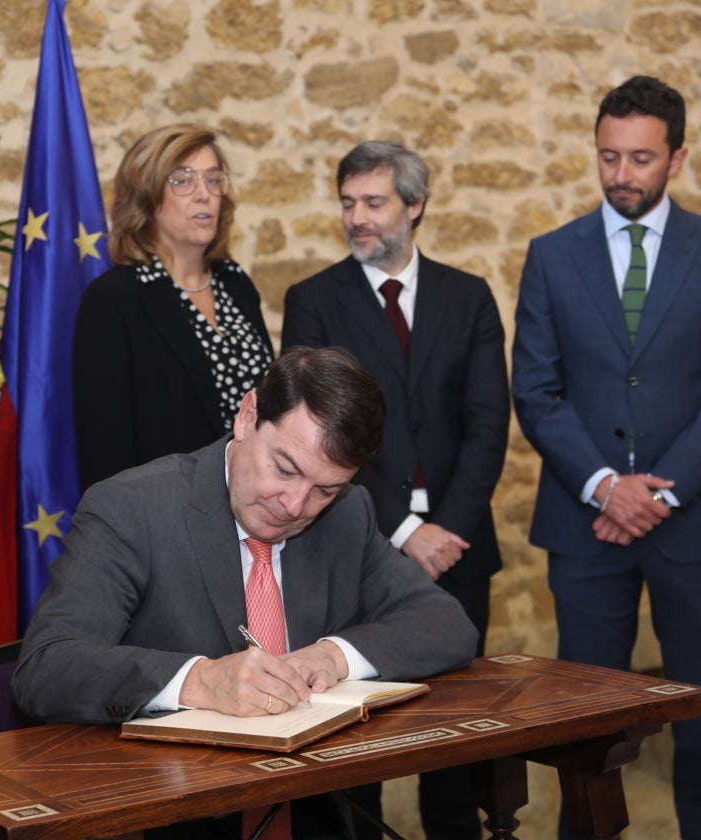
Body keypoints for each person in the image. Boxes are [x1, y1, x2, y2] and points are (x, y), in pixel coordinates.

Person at [15, 346, 478, 839]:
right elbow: (46, 668)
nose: (295, 505)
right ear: (247, 416)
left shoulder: (347, 512)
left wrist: (332, 656)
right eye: (285, 468)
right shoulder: (133, 508)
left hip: (319, 816)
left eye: (324, 489)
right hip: (177, 818)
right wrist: (200, 681)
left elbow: (447, 625)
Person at [511, 75, 701, 840]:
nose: (622, 174)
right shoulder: (551, 256)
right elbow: (536, 389)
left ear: (677, 158)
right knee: (586, 725)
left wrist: (656, 494)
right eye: (609, 156)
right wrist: (603, 488)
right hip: (586, 532)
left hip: (696, 527)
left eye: (641, 159)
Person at [281, 140, 508, 840]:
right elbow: (316, 438)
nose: (358, 218)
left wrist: (447, 530)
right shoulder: (313, 302)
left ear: (415, 206)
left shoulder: (467, 297)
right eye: (348, 203)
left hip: (459, 549)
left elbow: (486, 424)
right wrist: (405, 534)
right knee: (355, 739)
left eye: (374, 203)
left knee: (455, 738)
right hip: (352, 545)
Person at [72, 123, 273, 490]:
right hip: (164, 520)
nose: (204, 194)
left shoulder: (236, 283)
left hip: (255, 510)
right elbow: (104, 449)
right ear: (146, 198)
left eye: (213, 180)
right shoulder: (114, 300)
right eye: (182, 180)